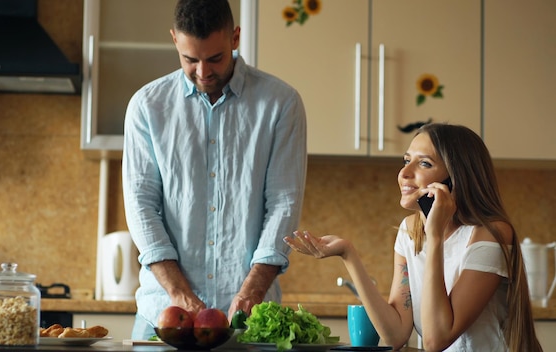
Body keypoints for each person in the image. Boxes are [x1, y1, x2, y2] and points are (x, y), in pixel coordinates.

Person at [121, 0, 307, 340]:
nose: (203, 72)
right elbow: (141, 205)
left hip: (250, 324)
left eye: (215, 58)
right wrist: (178, 294)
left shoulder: (281, 104)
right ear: (175, 39)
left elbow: (283, 203)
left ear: (235, 38)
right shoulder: (147, 107)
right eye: (190, 60)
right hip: (161, 319)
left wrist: (252, 290)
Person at [284, 123, 542, 351]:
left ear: (456, 179)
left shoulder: (491, 234)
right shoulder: (410, 231)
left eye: (424, 163)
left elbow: (435, 339)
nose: (404, 173)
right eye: (406, 160)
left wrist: (435, 236)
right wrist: (348, 254)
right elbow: (395, 335)